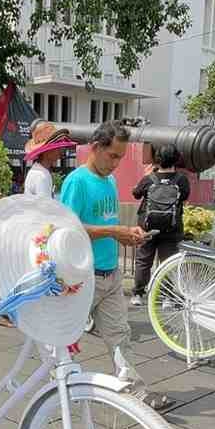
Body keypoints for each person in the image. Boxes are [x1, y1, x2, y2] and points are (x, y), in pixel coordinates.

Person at [58, 121, 165, 408]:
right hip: (83, 276)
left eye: (120, 157)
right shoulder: (77, 181)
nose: (116, 164)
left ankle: (136, 392)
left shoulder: (110, 181)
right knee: (64, 337)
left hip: (110, 273)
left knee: (120, 334)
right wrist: (114, 232)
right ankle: (60, 390)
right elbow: (67, 229)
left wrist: (125, 237)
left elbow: (105, 224)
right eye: (113, 156)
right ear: (95, 148)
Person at [130, 144, 189, 306]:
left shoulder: (149, 178)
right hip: (171, 228)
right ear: (176, 159)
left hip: (147, 226)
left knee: (143, 260)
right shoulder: (181, 180)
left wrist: (147, 176)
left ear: (157, 160)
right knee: (168, 262)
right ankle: (167, 297)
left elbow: (135, 194)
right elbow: (184, 196)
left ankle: (138, 294)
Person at [22, 122, 72, 199]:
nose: (60, 151)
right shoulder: (41, 176)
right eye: (56, 148)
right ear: (47, 151)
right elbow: (45, 207)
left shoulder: (37, 170)